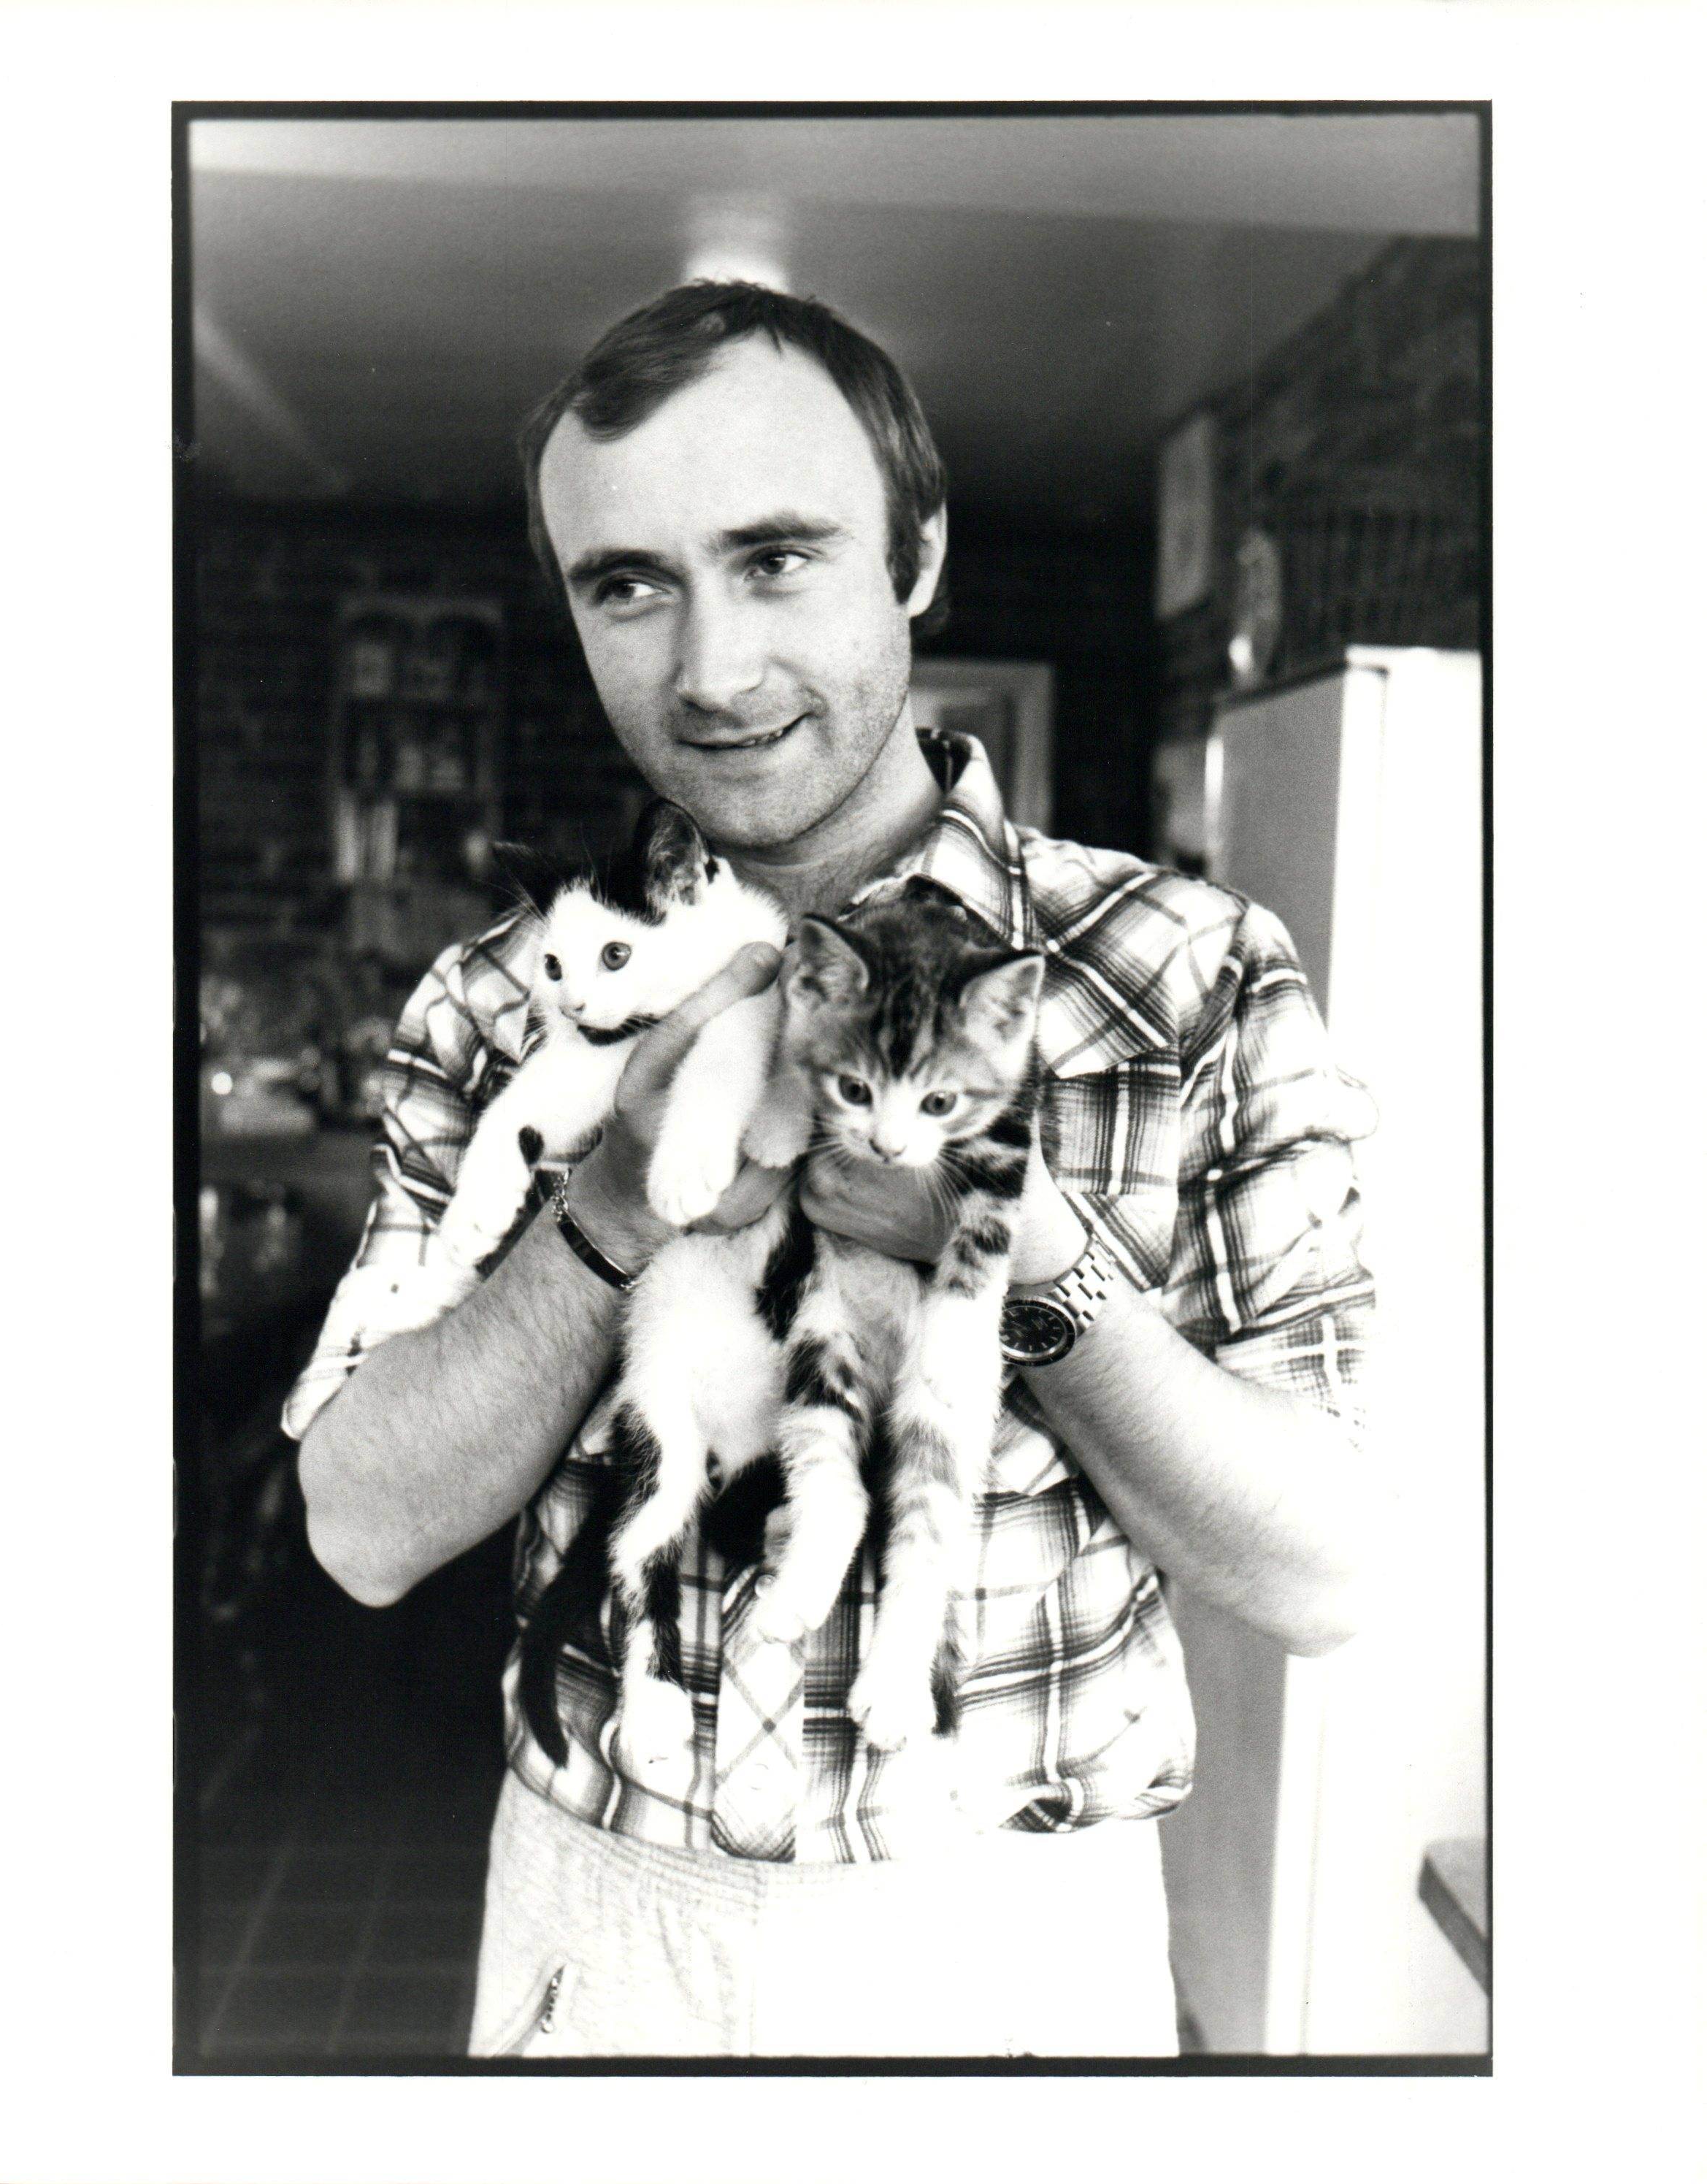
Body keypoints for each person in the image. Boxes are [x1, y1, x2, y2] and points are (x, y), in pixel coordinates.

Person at [285, 281, 1378, 2059]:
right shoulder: (499, 996)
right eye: (625, 582)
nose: (709, 670)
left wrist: (1023, 1263)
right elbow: (356, 1528)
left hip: (1016, 1947)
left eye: (777, 555)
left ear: (920, 551)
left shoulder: (1183, 968)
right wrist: (614, 1212)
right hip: (601, 1940)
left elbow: (1327, 1573)